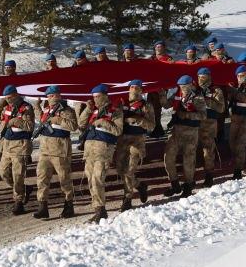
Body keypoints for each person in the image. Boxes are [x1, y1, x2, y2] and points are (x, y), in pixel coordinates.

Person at [78, 84, 124, 223]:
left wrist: (103, 122)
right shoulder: (94, 110)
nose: (96, 99)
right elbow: (81, 124)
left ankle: (100, 210)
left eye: (98, 97)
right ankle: (98, 209)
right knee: (90, 180)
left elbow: (118, 131)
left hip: (103, 150)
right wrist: (87, 109)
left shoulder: (115, 110)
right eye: (94, 97)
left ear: (105, 95)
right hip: (89, 151)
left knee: (97, 179)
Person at [33, 85, 79, 219]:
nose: (51, 98)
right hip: (45, 150)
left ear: (59, 95)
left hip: (60, 150)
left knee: (64, 179)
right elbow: (41, 120)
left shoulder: (66, 110)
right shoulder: (47, 110)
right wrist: (37, 106)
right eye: (49, 96)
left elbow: (73, 126)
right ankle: (42, 207)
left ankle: (68, 205)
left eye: (53, 95)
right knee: (41, 178)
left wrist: (58, 119)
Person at [160, 75, 206, 197]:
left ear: (191, 85)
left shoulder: (198, 97)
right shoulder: (177, 94)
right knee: (168, 157)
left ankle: (188, 185)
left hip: (191, 132)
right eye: (181, 86)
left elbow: (203, 115)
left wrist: (186, 115)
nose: (183, 89)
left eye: (185, 86)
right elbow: (166, 105)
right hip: (176, 131)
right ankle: (175, 184)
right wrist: (162, 94)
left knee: (188, 160)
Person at [115, 79, 155, 211]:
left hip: (137, 141)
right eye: (131, 87)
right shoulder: (122, 103)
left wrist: (138, 120)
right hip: (122, 141)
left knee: (129, 170)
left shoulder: (146, 105)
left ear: (141, 90)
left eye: (137, 88)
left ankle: (127, 199)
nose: (134, 90)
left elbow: (151, 126)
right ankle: (139, 185)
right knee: (120, 170)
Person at [0, 85, 35, 215]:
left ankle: (19, 201)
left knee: (17, 174)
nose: (8, 100)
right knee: (2, 171)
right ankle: (23, 189)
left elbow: (29, 126)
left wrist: (15, 121)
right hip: (7, 144)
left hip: (20, 144)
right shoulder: (6, 108)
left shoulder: (26, 108)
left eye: (10, 97)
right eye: (6, 98)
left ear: (15, 95)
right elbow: (0, 121)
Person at [197, 67, 225, 187]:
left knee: (208, 151)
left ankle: (209, 175)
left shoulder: (216, 90)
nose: (201, 80)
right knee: (192, 150)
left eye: (204, 77)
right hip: (195, 123)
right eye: (199, 77)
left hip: (209, 123)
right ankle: (191, 178)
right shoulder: (194, 89)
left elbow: (221, 108)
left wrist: (207, 101)